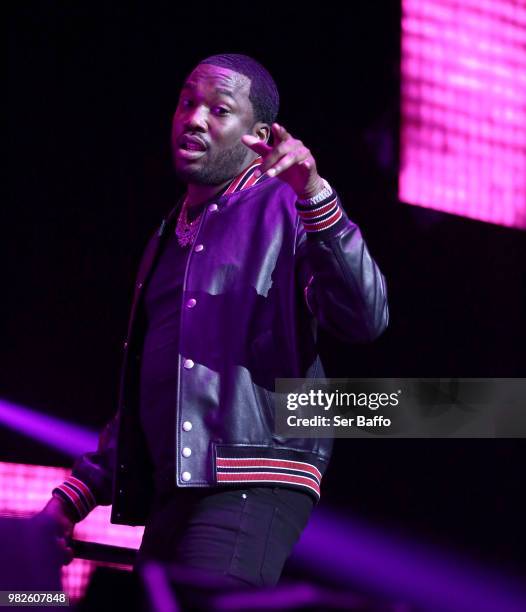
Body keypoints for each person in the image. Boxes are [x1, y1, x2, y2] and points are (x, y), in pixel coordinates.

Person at [40, 53, 389, 589]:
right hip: (174, 490)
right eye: (186, 102)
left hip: (252, 478)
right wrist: (75, 495)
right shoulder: (163, 239)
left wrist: (315, 194)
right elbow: (153, 395)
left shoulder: (285, 205)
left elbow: (366, 317)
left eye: (219, 109)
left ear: (259, 133)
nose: (194, 118)